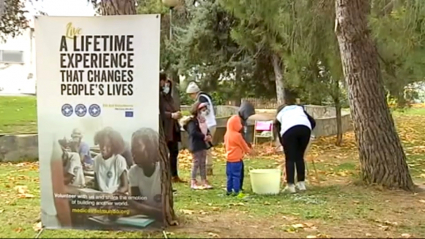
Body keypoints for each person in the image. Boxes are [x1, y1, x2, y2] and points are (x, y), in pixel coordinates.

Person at [275, 103, 316, 193]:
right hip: (305, 129)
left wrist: (283, 144)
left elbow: (278, 130)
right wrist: (308, 131)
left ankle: (291, 185)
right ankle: (301, 184)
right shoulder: (298, 108)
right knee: (299, 157)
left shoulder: (279, 115)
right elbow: (313, 122)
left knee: (290, 158)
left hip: (289, 131)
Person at [128, 128, 163, 221]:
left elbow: (166, 213)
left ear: (150, 148)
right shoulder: (133, 172)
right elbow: (137, 204)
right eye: (132, 147)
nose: (132, 151)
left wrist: (133, 204)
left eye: (137, 146)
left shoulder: (163, 171)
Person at [186, 82, 216, 175]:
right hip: (211, 123)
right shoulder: (206, 96)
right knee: (208, 146)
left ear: (194, 93)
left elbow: (205, 111)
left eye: (191, 95)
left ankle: (206, 168)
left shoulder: (202, 98)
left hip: (208, 124)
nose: (191, 97)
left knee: (204, 147)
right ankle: (208, 167)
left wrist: (196, 116)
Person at [181, 102, 213, 190]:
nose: (204, 111)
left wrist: (209, 135)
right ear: (197, 110)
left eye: (205, 109)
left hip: (202, 144)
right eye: (203, 110)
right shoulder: (192, 121)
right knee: (196, 163)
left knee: (203, 163)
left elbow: (206, 129)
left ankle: (204, 180)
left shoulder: (203, 120)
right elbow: (193, 132)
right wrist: (204, 136)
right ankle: (193, 181)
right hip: (196, 144)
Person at [159, 73, 184, 183]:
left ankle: (174, 175)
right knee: (165, 153)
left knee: (174, 152)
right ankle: (166, 176)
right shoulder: (159, 97)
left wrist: (177, 114)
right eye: (165, 84)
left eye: (169, 85)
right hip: (165, 129)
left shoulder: (170, 98)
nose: (166, 87)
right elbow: (160, 112)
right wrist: (171, 115)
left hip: (173, 128)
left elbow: (173, 108)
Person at [93, 127, 129, 194]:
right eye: (102, 144)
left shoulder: (119, 160)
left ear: (114, 146)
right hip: (101, 196)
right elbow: (96, 185)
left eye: (108, 146)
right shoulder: (96, 160)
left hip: (115, 196)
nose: (103, 148)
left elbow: (125, 187)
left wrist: (114, 195)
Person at [224, 115, 251, 197]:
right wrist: (249, 151)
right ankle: (236, 190)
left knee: (229, 175)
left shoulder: (227, 134)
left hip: (229, 159)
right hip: (236, 159)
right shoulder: (237, 135)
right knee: (236, 175)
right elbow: (243, 145)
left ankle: (229, 190)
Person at [237, 101, 256, 191]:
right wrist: (249, 150)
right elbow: (241, 140)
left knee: (237, 172)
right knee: (238, 172)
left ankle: (235, 187)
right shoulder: (237, 131)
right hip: (236, 156)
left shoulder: (242, 122)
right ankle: (237, 188)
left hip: (235, 155)